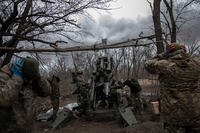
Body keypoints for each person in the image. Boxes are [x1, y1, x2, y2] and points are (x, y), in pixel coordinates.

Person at [145, 43, 200, 133]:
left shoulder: (165, 65)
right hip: (196, 115)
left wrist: (164, 54)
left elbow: (147, 64)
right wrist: (184, 52)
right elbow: (189, 59)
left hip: (175, 117)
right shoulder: (197, 64)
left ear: (170, 52)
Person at [0, 57, 52, 133]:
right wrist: (17, 78)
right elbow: (4, 100)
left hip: (29, 127)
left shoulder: (32, 77)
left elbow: (47, 92)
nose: (30, 82)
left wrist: (38, 77)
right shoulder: (3, 75)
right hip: (10, 128)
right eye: (28, 79)